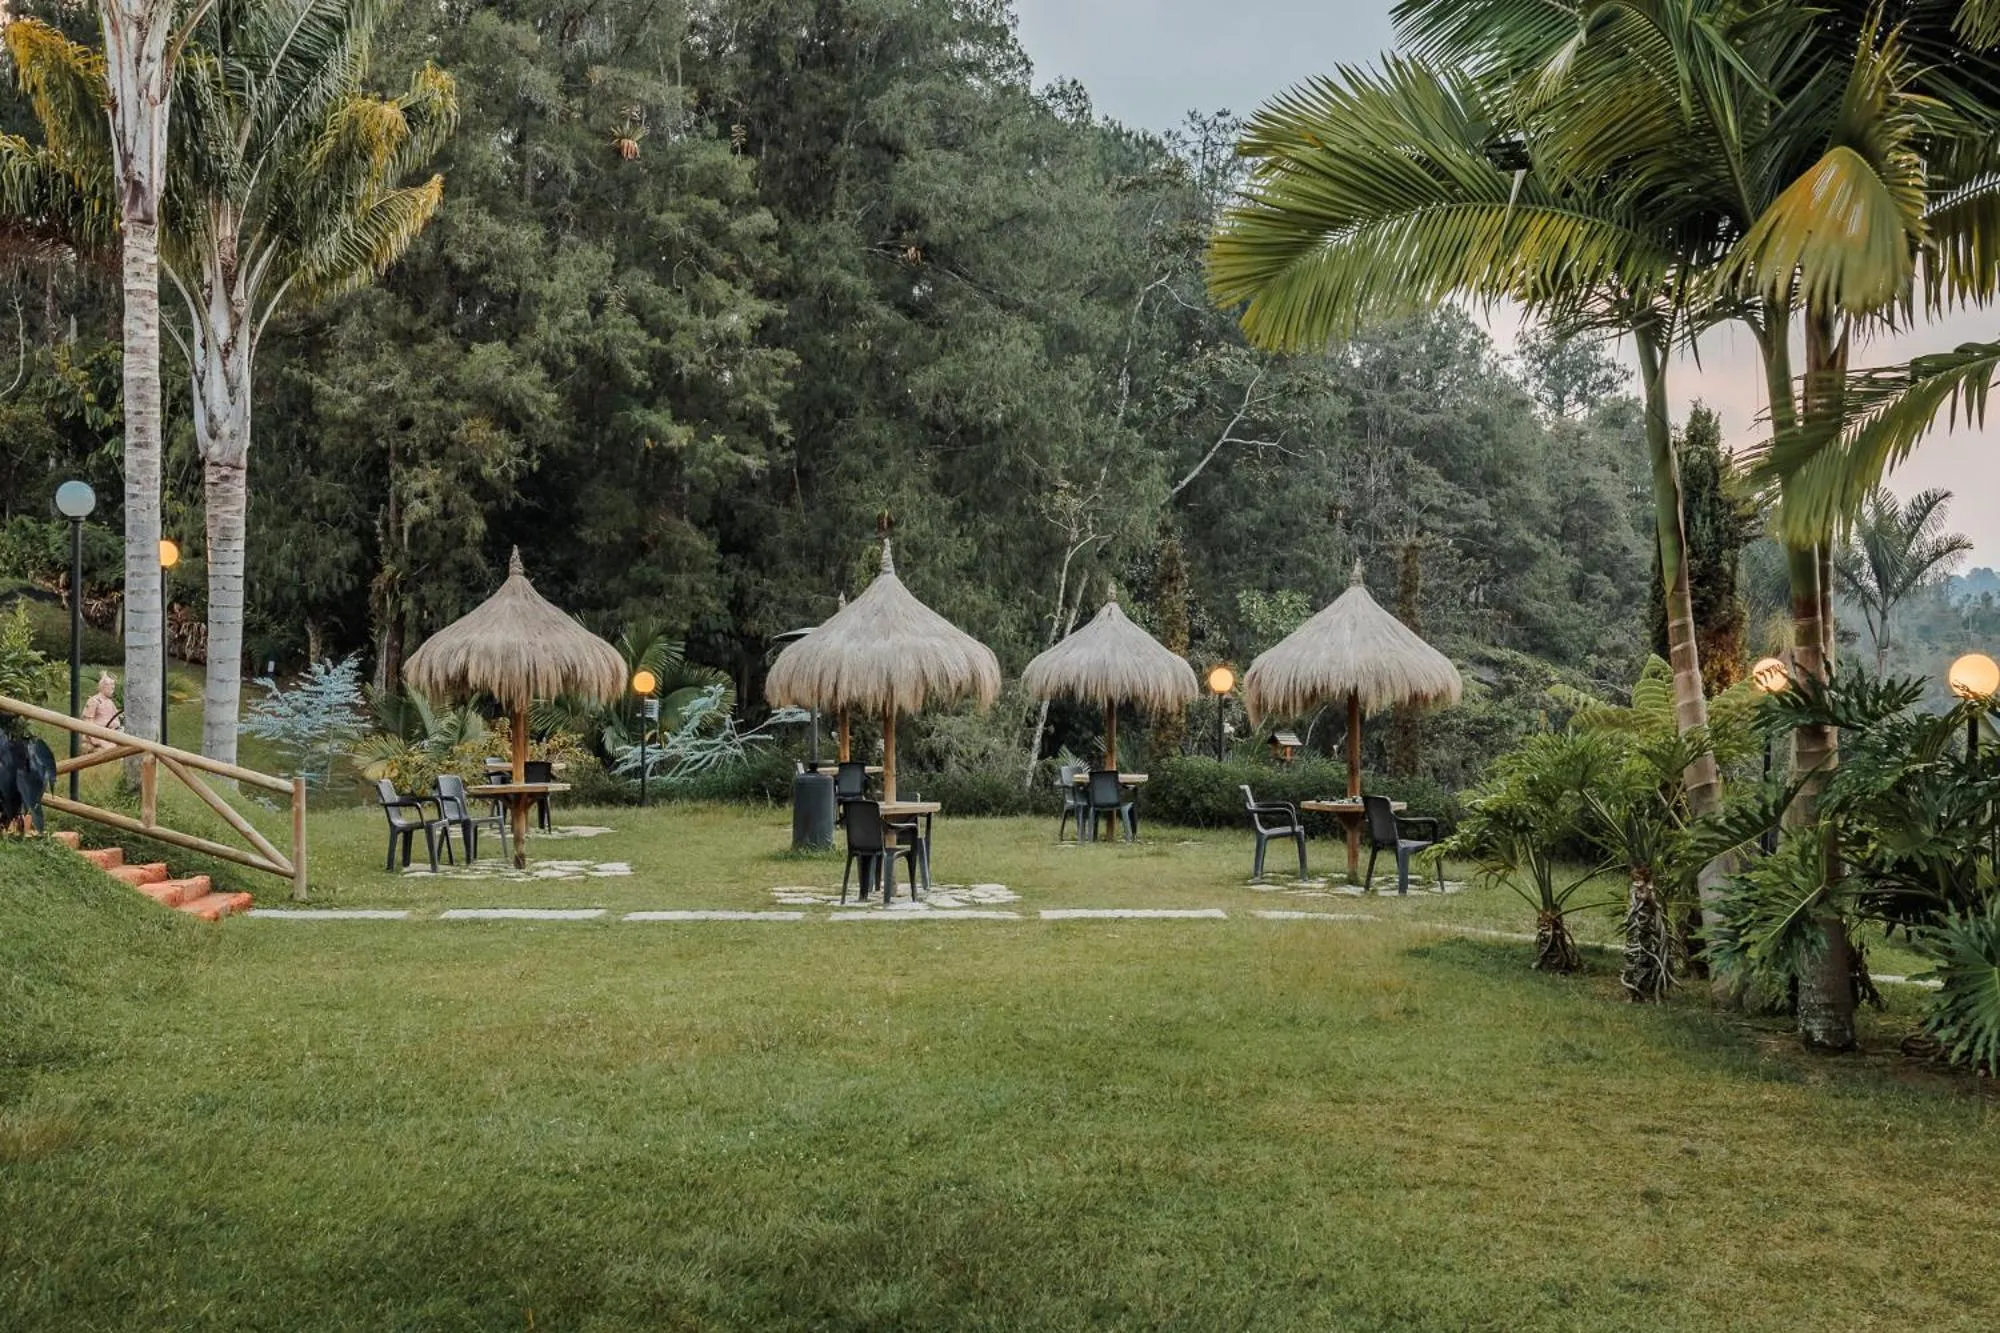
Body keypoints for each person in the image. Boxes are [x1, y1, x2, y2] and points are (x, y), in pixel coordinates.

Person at [81, 673, 122, 750]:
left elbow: (116, 717)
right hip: (99, 734)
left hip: (113, 733)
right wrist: (94, 738)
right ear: (104, 687)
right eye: (111, 688)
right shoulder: (94, 700)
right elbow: (88, 721)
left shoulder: (110, 702)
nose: (113, 691)